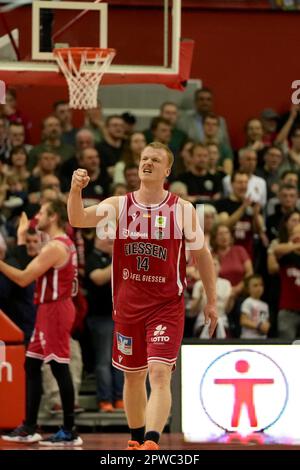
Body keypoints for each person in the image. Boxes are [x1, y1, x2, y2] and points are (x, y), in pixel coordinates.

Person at [68, 141, 217, 450]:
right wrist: (75, 190)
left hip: (165, 306)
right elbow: (78, 219)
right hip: (127, 307)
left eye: (155, 159)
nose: (147, 162)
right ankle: (136, 440)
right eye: (144, 158)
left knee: (159, 373)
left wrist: (212, 301)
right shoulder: (119, 205)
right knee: (133, 377)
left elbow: (203, 256)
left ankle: (151, 441)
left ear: (167, 170)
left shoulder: (182, 209)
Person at [1, 200, 82, 446]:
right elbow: (33, 262)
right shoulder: (54, 245)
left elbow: (24, 277)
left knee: (58, 367)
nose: (37, 216)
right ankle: (29, 426)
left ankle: (69, 430)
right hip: (47, 309)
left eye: (42, 212)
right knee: (32, 364)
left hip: (55, 309)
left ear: (54, 217)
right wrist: (22, 237)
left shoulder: (56, 247)